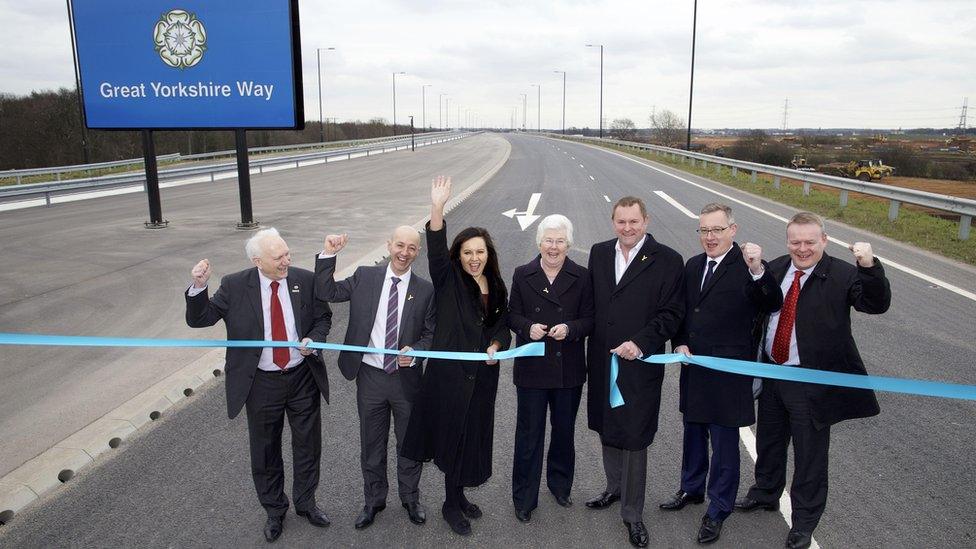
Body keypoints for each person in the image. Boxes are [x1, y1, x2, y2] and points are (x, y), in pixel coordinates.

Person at [735, 212, 891, 549]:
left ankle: (803, 521)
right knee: (769, 441)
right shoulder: (776, 268)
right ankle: (765, 493)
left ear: (824, 240)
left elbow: (876, 304)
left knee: (810, 456)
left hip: (811, 382)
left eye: (809, 242)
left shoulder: (844, 274)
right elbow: (756, 304)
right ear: (787, 241)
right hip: (774, 373)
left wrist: (869, 266)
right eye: (796, 242)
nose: (802, 249)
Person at [185, 228, 333, 543]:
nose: (286, 261)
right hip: (261, 381)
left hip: (301, 375)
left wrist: (314, 340)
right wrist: (199, 288)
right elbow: (202, 319)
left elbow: (323, 319)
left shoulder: (304, 280)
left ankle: (307, 502)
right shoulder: (235, 285)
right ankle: (275, 510)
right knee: (265, 451)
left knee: (308, 445)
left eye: (288, 254)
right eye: (278, 257)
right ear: (257, 261)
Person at [659, 203, 783, 545]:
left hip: (730, 374)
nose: (709, 237)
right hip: (695, 369)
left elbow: (771, 302)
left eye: (716, 230)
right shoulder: (693, 265)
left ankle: (718, 508)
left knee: (725, 446)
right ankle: (691, 488)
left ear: (733, 230)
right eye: (704, 231)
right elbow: (684, 312)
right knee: (693, 435)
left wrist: (758, 269)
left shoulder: (748, 266)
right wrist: (679, 342)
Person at [401, 175, 512, 537]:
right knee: (454, 437)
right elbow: (435, 247)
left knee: (472, 436)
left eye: (479, 252)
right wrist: (437, 207)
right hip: (449, 379)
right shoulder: (448, 279)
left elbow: (501, 325)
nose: (474, 258)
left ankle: (460, 495)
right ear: (458, 257)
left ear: (488, 254)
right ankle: (450, 504)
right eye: (467, 253)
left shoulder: (495, 284)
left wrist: (496, 345)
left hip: (482, 377)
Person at [314, 226, 435, 529]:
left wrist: (417, 352)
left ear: (417, 252)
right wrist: (329, 253)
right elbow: (326, 291)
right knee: (372, 444)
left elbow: (431, 333)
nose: (404, 252)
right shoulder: (365, 277)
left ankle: (410, 498)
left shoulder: (426, 290)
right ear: (389, 244)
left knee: (408, 443)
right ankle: (374, 501)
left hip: (406, 379)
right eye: (399, 245)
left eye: (410, 248)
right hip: (369, 376)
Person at [584, 196, 684, 548]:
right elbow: (589, 305)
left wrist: (640, 343)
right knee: (606, 428)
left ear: (646, 221)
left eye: (634, 222)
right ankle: (613, 488)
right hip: (600, 361)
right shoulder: (598, 253)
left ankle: (632, 514)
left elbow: (672, 314)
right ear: (613, 222)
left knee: (634, 437)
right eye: (621, 222)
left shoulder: (668, 260)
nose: (627, 228)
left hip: (638, 365)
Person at [507, 214, 594, 523]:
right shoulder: (522, 273)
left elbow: (589, 319)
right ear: (539, 243)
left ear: (568, 244)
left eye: (559, 241)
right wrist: (527, 327)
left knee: (563, 432)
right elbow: (511, 314)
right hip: (532, 368)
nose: (553, 247)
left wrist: (570, 329)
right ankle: (524, 497)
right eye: (548, 240)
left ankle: (560, 486)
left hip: (568, 370)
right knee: (529, 435)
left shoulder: (582, 276)